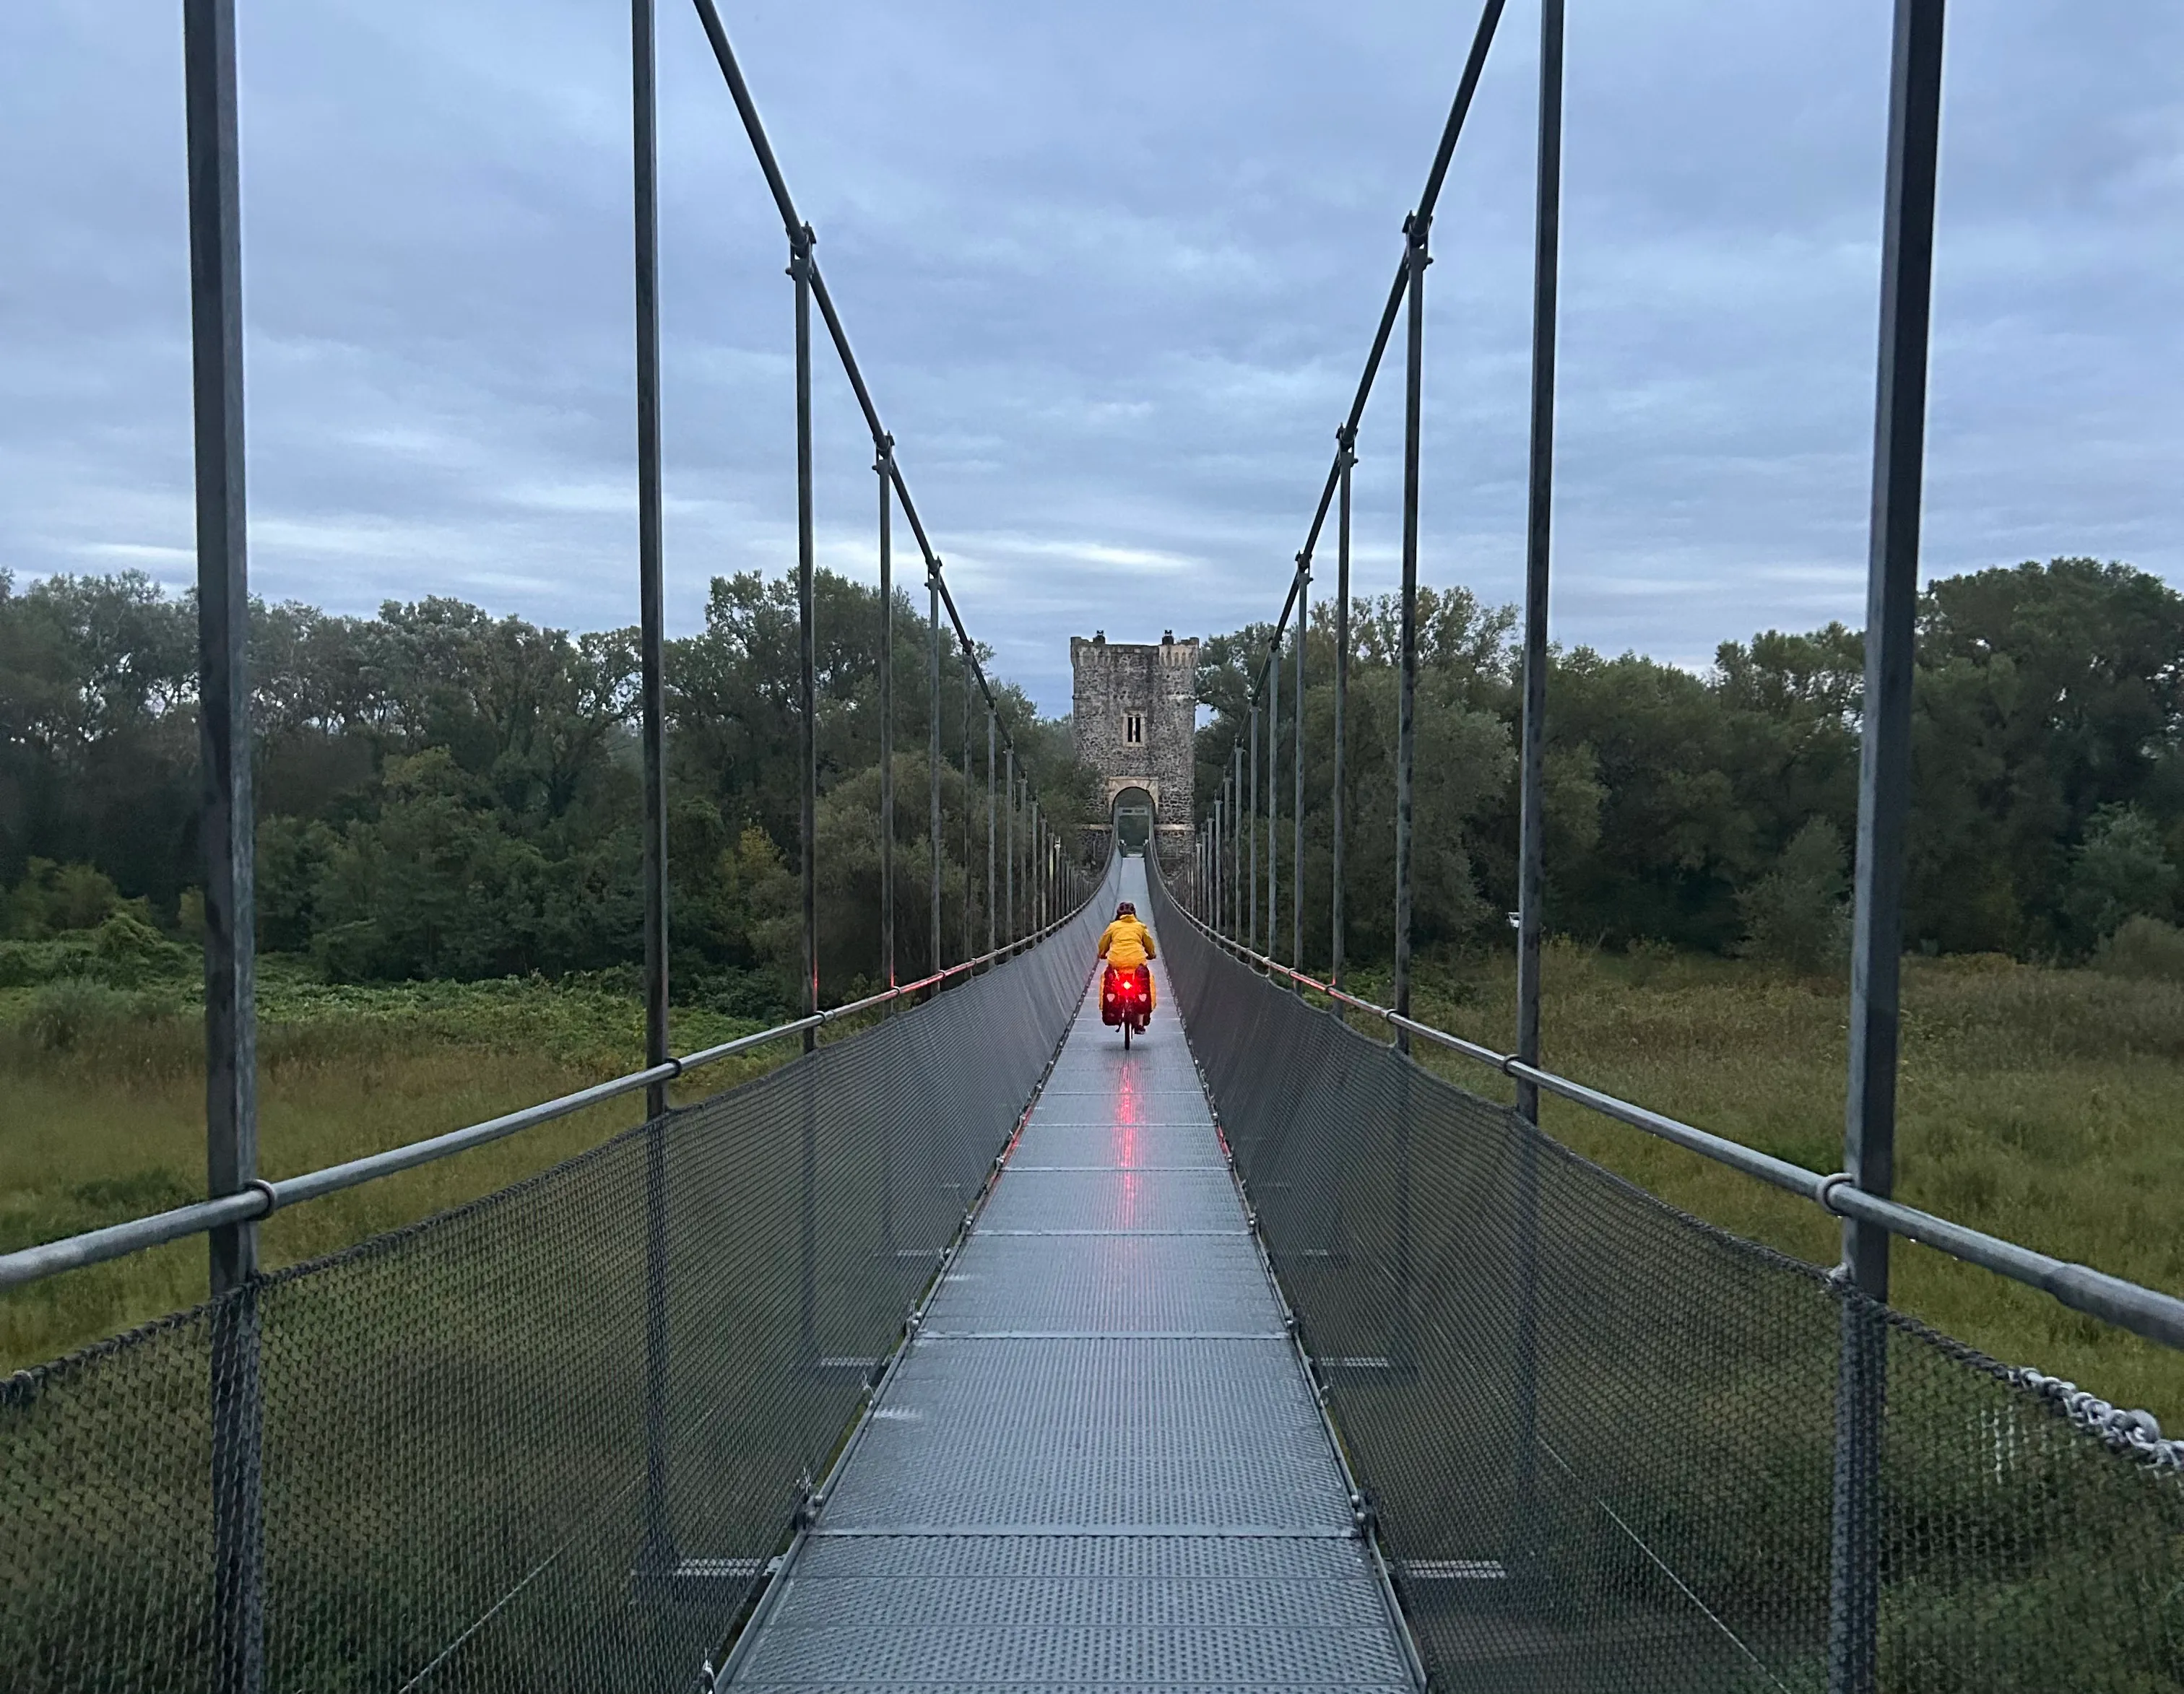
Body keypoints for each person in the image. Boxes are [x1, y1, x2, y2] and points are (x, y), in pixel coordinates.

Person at [1096, 900, 1156, 1012]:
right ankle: (1140, 1021)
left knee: (1108, 979)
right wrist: (1151, 954)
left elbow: (1103, 943)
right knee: (1145, 983)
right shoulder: (1140, 927)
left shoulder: (1113, 926)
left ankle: (1112, 1010)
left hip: (1117, 963)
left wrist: (1102, 954)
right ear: (1134, 914)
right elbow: (1149, 943)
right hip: (1136, 963)